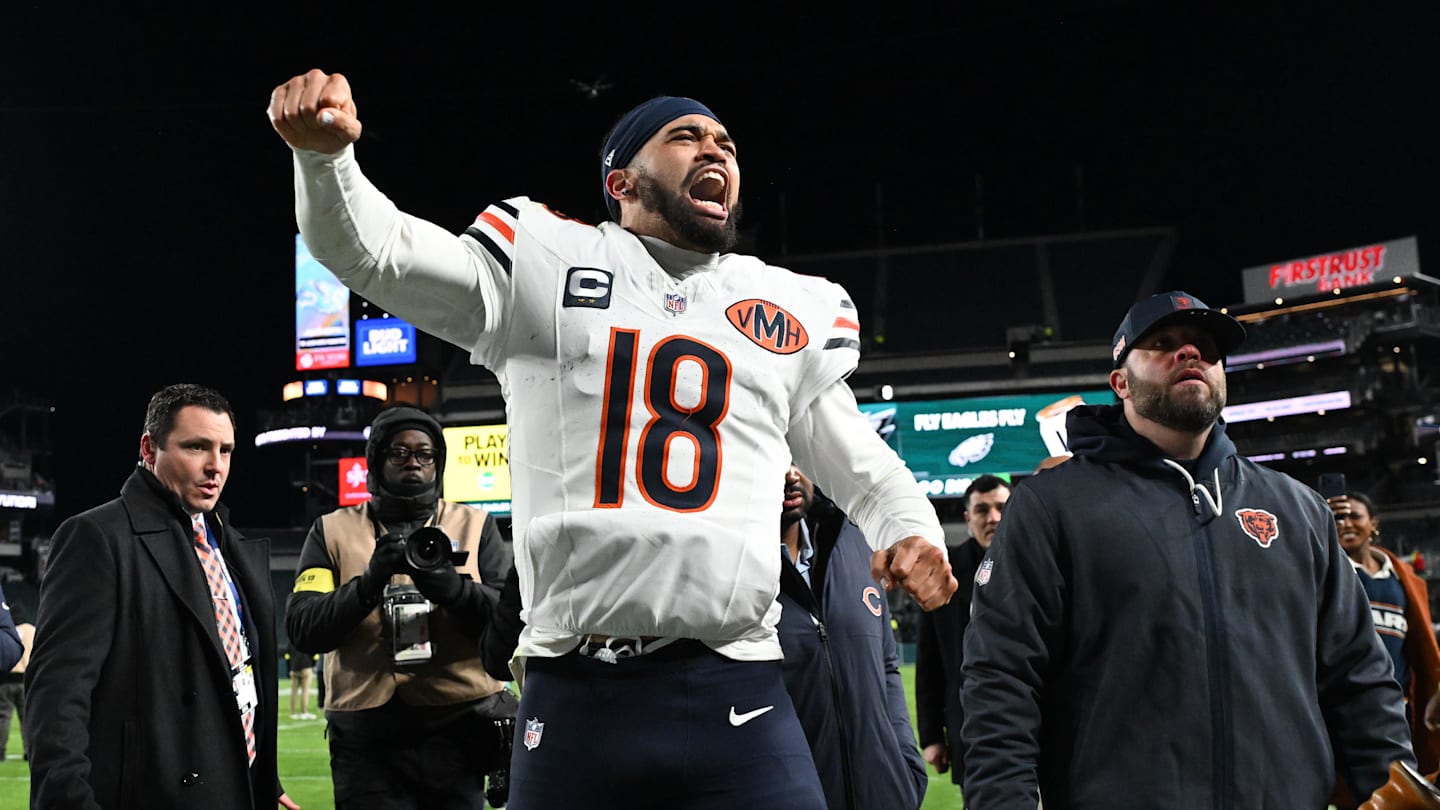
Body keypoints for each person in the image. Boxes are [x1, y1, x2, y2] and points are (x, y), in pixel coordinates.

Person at [268, 69, 955, 809]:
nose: (714, 149)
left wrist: (911, 528)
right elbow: (381, 255)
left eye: (724, 140)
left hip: (738, 683)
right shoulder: (547, 260)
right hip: (575, 689)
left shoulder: (782, 303)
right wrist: (323, 160)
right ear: (621, 180)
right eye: (684, 136)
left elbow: (858, 462)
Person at [961, 291, 1414, 808]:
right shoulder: (1051, 506)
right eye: (1164, 343)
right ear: (1120, 382)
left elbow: (1359, 677)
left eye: (1206, 347)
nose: (1190, 353)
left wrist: (1392, 791)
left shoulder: (1299, 511)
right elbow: (1002, 678)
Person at [24, 383, 296, 809]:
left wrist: (261, 778)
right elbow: (56, 698)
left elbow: (240, 675)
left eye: (225, 450)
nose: (215, 466)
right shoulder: (97, 538)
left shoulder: (228, 542)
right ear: (149, 449)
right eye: (196, 447)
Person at [287, 405, 515, 810]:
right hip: (366, 739)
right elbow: (304, 627)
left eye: (425, 454)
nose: (414, 462)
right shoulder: (331, 529)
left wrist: (455, 591)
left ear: (438, 464)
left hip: (458, 730)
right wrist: (368, 584)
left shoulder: (477, 525)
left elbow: (509, 623)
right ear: (376, 461)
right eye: (399, 453)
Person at [776, 464, 927, 810]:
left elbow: (887, 663)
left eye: (798, 455)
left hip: (883, 792)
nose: (790, 473)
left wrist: (904, 758)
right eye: (777, 453)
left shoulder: (856, 540)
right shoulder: (732, 571)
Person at [1330, 491, 1440, 776]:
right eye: (1338, 518)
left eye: (1355, 516)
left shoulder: (1401, 578)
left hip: (1399, 709)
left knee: (1403, 790)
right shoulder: (1329, 576)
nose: (1346, 524)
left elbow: (1420, 650)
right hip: (1347, 708)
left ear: (1373, 524)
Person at [914, 473, 1010, 796]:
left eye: (1000, 508)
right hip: (971, 729)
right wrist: (931, 736)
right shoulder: (945, 570)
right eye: (982, 510)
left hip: (1038, 723)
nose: (993, 518)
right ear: (968, 517)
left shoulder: (1038, 563)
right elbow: (929, 658)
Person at [0, 601, 33, 760]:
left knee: (3, 717)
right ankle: (29, 752)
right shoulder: (31, 630)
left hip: (5, 680)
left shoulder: (5, 631)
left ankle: (0, 751)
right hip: (25, 680)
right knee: (27, 718)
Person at [287, 641, 316, 720]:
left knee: (293, 692)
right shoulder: (306, 640)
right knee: (305, 691)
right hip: (306, 667)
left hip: (294, 668)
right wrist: (312, 663)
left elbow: (287, 655)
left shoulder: (291, 641)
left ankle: (293, 712)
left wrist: (290, 668)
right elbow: (313, 654)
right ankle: (304, 712)